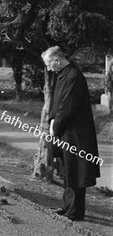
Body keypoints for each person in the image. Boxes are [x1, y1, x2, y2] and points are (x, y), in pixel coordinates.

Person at [42, 46, 100, 221]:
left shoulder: (74, 76)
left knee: (76, 172)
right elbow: (58, 104)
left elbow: (67, 107)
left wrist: (55, 126)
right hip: (65, 132)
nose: (48, 69)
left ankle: (75, 212)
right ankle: (67, 207)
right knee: (68, 171)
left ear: (57, 60)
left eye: (49, 64)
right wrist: (53, 122)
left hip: (75, 134)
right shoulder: (63, 75)